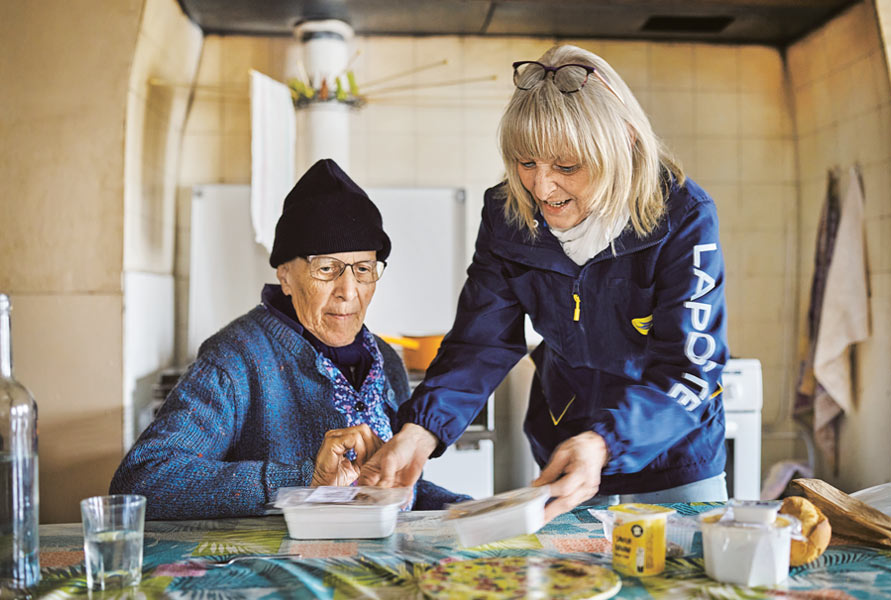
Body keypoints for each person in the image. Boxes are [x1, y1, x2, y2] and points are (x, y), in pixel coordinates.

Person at [359, 44, 729, 521]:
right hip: (564, 446)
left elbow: (689, 369)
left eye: (567, 167)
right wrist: (421, 430)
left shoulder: (682, 216)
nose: (542, 187)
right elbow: (480, 342)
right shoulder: (506, 214)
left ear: (623, 146)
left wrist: (605, 443)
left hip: (674, 457)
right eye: (525, 162)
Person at [110, 159, 470, 520]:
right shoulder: (236, 358)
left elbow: (390, 486)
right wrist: (304, 480)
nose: (348, 291)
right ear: (285, 276)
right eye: (326, 268)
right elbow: (143, 480)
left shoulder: (385, 360)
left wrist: (460, 509)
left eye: (363, 270)